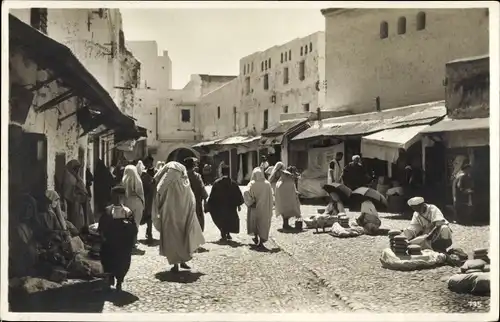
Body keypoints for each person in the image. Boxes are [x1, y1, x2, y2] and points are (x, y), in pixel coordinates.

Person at [152, 161, 205, 273]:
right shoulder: (183, 175)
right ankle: (182, 261)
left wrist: (157, 205)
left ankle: (176, 263)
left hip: (171, 211)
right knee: (183, 234)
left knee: (173, 236)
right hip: (184, 211)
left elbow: (159, 189)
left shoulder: (170, 173)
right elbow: (190, 195)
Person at [98, 185, 138, 291]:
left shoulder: (127, 212)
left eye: (120, 196)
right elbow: (101, 226)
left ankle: (119, 281)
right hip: (109, 243)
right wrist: (102, 236)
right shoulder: (107, 210)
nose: (117, 199)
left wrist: (127, 226)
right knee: (108, 261)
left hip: (123, 244)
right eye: (115, 196)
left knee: (122, 262)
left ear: (123, 197)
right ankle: (110, 277)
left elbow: (133, 229)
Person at [207, 165, 245, 241]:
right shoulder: (233, 183)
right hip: (230, 206)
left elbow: (212, 195)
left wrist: (209, 205)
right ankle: (227, 233)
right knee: (229, 219)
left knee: (221, 219)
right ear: (229, 172)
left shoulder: (217, 183)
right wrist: (238, 205)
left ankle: (223, 232)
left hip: (220, 206)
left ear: (221, 172)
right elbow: (237, 194)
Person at [243, 168, 273, 248]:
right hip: (265, 209)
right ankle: (261, 241)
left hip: (254, 208)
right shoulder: (267, 184)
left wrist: (250, 202)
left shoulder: (252, 183)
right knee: (263, 224)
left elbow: (245, 193)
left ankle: (256, 237)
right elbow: (271, 196)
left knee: (255, 223)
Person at [61, 160, 92, 230]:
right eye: (76, 168)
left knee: (83, 218)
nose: (78, 170)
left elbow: (81, 186)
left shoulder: (75, 176)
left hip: (80, 201)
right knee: (76, 219)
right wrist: (77, 194)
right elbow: (68, 192)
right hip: (75, 202)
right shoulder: (68, 177)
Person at [122, 165, 145, 247]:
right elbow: (141, 193)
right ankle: (134, 241)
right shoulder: (138, 181)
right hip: (137, 202)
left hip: (127, 202)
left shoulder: (123, 181)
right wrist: (143, 204)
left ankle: (126, 241)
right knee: (136, 223)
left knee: (127, 222)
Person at [184, 157, 209, 232]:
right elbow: (202, 188)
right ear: (193, 166)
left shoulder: (182, 177)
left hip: (185, 201)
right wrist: (205, 200)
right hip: (196, 201)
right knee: (197, 217)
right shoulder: (197, 176)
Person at [141, 156, 156, 243]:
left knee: (149, 216)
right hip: (144, 196)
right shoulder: (143, 173)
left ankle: (149, 233)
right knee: (145, 216)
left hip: (150, 197)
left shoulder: (154, 172)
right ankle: (148, 233)